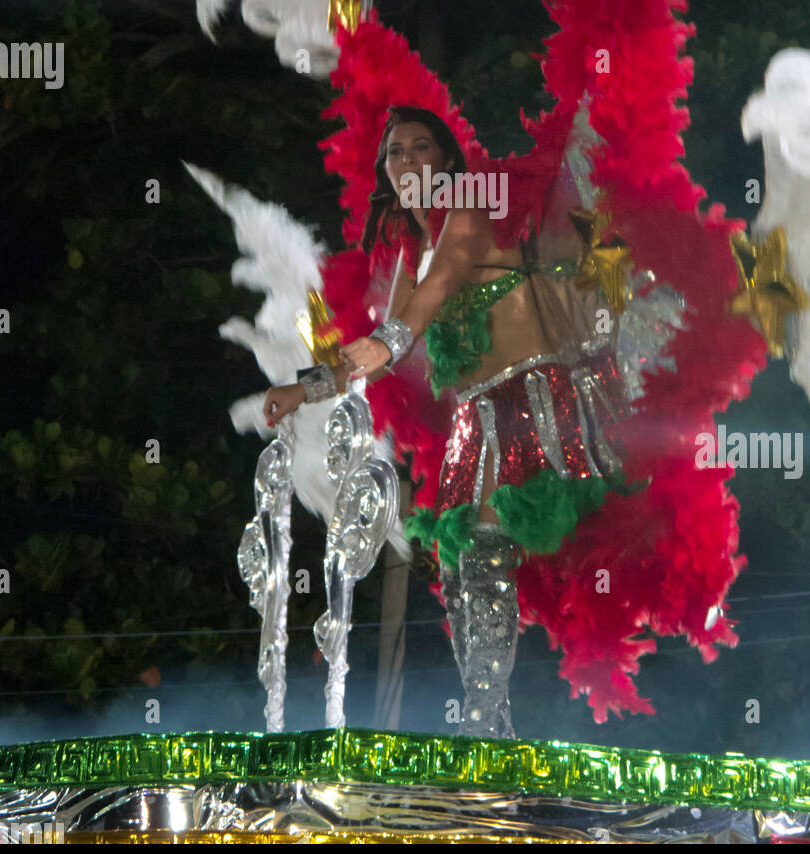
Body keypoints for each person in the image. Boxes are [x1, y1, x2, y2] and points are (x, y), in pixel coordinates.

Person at [263, 104, 629, 736]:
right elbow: (382, 348)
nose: (405, 160)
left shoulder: (467, 210)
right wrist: (307, 388)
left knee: (487, 554)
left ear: (450, 162)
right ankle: (491, 720)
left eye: (420, 147)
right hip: (474, 420)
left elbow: (424, 307)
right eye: (394, 151)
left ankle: (488, 723)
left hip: (531, 398)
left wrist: (385, 342)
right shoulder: (414, 249)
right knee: (460, 573)